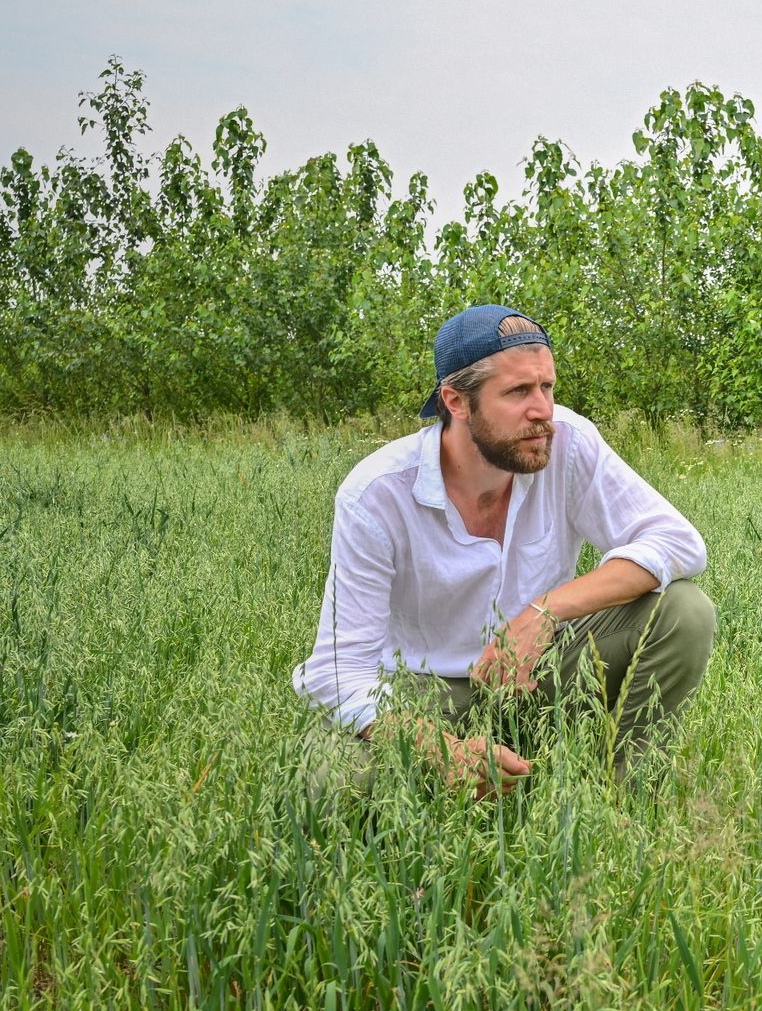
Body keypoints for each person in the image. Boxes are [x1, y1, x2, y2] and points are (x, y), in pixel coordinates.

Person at [294, 304, 714, 794]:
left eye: (547, 388)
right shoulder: (377, 494)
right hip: (420, 693)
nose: (542, 411)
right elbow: (336, 672)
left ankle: (619, 802)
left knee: (684, 610)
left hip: (539, 675)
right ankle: (456, 779)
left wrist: (546, 611)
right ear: (455, 401)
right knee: (323, 786)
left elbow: (678, 541)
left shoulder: (567, 442)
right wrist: (440, 750)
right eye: (517, 392)